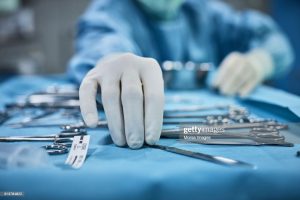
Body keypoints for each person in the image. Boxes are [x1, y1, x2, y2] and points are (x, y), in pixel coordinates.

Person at [68, 0, 294, 149]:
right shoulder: (110, 12)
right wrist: (111, 59)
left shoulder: (204, 11)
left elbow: (275, 42)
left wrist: (261, 60)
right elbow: (102, 40)